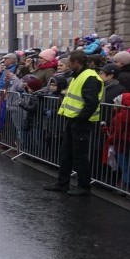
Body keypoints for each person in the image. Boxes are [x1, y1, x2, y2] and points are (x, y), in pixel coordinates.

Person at [43, 50, 104, 196]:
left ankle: (84, 187)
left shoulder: (89, 77)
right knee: (66, 154)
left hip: (81, 122)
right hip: (72, 120)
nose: (67, 65)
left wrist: (80, 119)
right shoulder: (78, 76)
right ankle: (62, 184)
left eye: (69, 62)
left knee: (80, 156)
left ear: (77, 62)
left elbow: (92, 103)